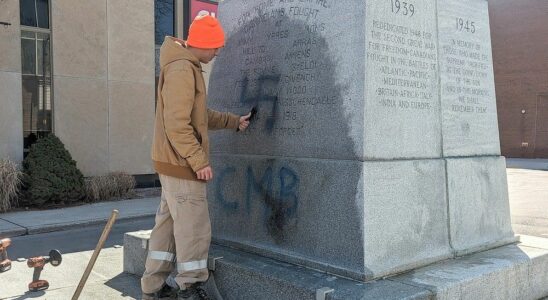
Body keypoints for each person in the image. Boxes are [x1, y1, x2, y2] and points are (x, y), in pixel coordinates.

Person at [142, 14, 251, 300]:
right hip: (182, 165)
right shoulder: (182, 69)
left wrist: (232, 121)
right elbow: (177, 124)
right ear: (202, 44)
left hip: (172, 164)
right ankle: (191, 287)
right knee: (194, 228)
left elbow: (198, 116)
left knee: (166, 227)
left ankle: (153, 288)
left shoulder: (183, 66)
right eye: (215, 47)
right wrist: (199, 161)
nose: (217, 52)